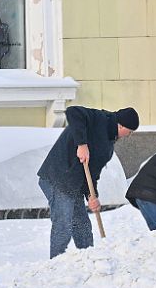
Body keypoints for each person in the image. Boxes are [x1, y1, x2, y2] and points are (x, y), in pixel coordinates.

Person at [38, 105, 138, 258]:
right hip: (57, 177)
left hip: (74, 185)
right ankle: (55, 265)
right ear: (121, 125)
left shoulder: (108, 147)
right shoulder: (99, 119)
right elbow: (73, 112)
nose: (128, 135)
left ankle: (90, 259)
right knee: (63, 222)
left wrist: (92, 195)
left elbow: (92, 174)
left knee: (83, 226)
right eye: (129, 131)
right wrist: (81, 144)